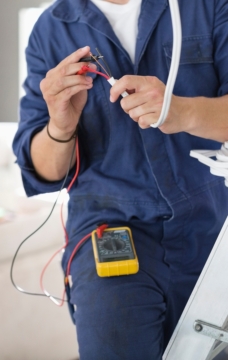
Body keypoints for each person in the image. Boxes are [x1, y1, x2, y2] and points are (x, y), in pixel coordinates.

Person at [13, 0, 228, 359]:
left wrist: (181, 110)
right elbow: (45, 169)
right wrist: (60, 125)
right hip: (108, 227)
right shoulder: (51, 29)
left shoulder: (207, 6)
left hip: (210, 229)